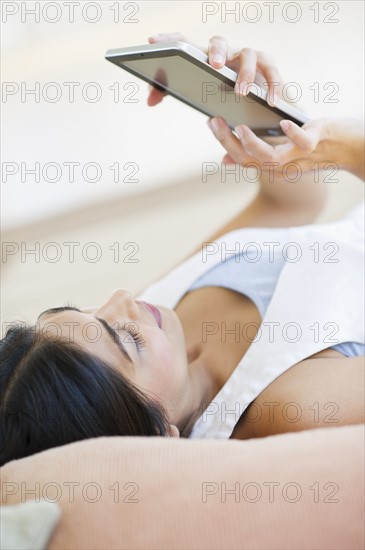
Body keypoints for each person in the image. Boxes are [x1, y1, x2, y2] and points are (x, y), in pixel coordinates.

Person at [1, 33, 364, 465]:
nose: (122, 300)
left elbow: (290, 204)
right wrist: (347, 148)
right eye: (127, 340)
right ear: (160, 436)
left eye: (93, 313)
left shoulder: (161, 317)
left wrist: (256, 115)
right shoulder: (296, 408)